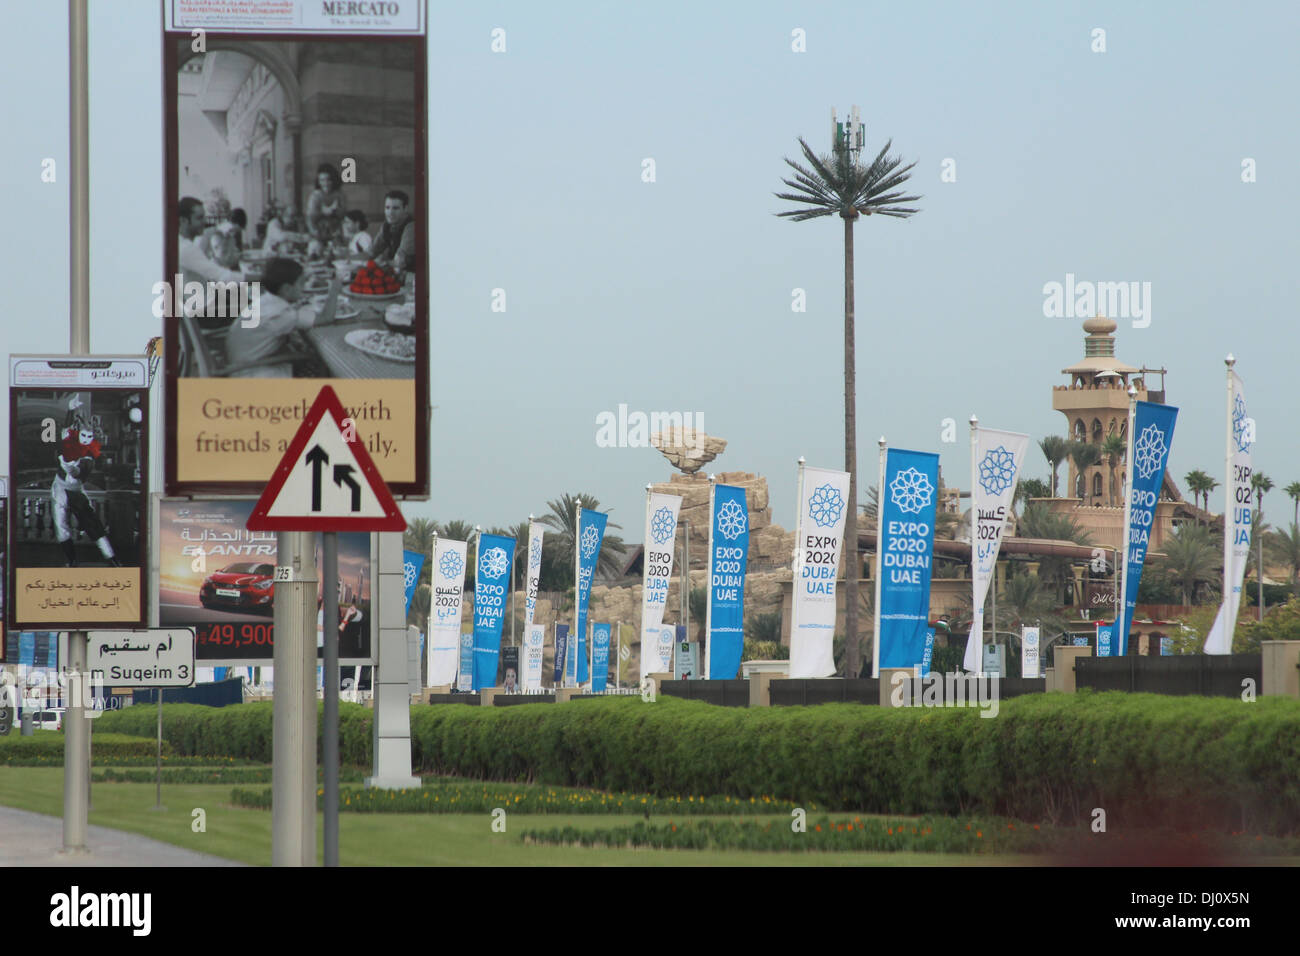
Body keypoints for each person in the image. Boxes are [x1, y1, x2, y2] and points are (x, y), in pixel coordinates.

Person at [224, 257, 337, 377]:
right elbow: (326, 318)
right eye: (301, 283)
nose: (304, 287)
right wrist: (335, 289)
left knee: (299, 347)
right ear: (287, 289)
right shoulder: (282, 315)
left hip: (240, 361)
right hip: (251, 373)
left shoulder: (265, 299)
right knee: (315, 358)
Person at [51, 396, 119, 568]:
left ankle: (112, 558)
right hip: (59, 488)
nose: (87, 438)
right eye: (84, 435)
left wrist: (67, 466)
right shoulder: (70, 440)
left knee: (92, 525)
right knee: (61, 526)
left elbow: (78, 474)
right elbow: (65, 428)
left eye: (90, 436)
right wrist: (70, 409)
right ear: (78, 434)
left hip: (75, 491)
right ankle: (71, 560)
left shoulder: (89, 456)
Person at [369, 190, 416, 273]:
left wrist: (376, 264)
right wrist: (345, 256)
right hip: (398, 274)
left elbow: (400, 262)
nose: (390, 212)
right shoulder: (386, 226)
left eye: (395, 208)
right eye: (387, 207)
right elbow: (371, 252)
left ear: (405, 209)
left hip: (413, 277)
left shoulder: (411, 227)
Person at [306, 164, 347, 243]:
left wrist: (335, 211)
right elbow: (310, 218)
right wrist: (323, 213)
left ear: (333, 180)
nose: (325, 183)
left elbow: (343, 215)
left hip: (336, 234)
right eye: (322, 180)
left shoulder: (340, 195)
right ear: (318, 182)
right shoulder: (315, 196)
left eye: (328, 180)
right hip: (318, 233)